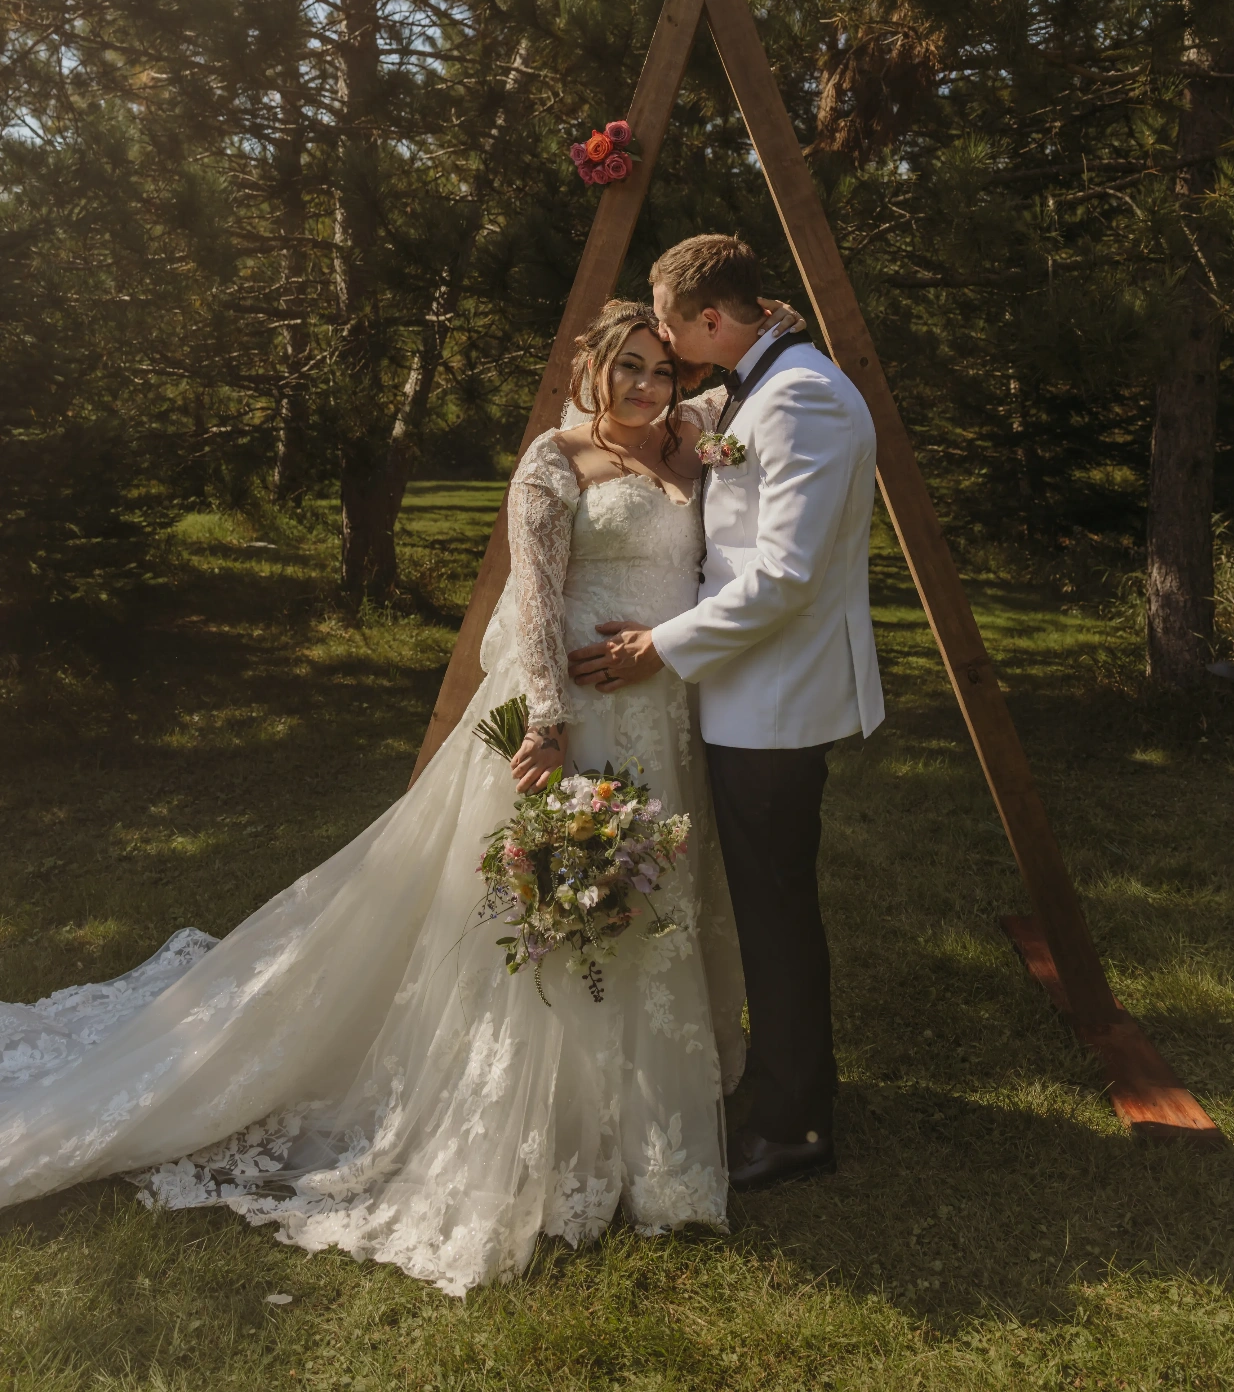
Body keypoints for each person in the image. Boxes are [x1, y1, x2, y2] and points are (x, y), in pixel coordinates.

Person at [0, 299, 790, 1297]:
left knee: (649, 902)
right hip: (580, 715)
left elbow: (736, 374)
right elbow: (538, 597)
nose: (645, 386)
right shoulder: (554, 460)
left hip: (664, 716)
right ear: (588, 370)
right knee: (562, 911)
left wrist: (762, 319)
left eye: (659, 370)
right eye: (625, 367)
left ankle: (649, 1126)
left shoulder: (684, 441)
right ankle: (550, 1122)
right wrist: (545, 719)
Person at [568, 235, 883, 1192]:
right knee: (764, 908)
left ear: (711, 321)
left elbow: (783, 577)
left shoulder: (804, 398)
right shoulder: (764, 377)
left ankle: (794, 1124)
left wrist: (656, 647)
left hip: (777, 704)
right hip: (750, 696)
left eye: (666, 321)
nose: (657, 336)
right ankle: (788, 1092)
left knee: (777, 915)